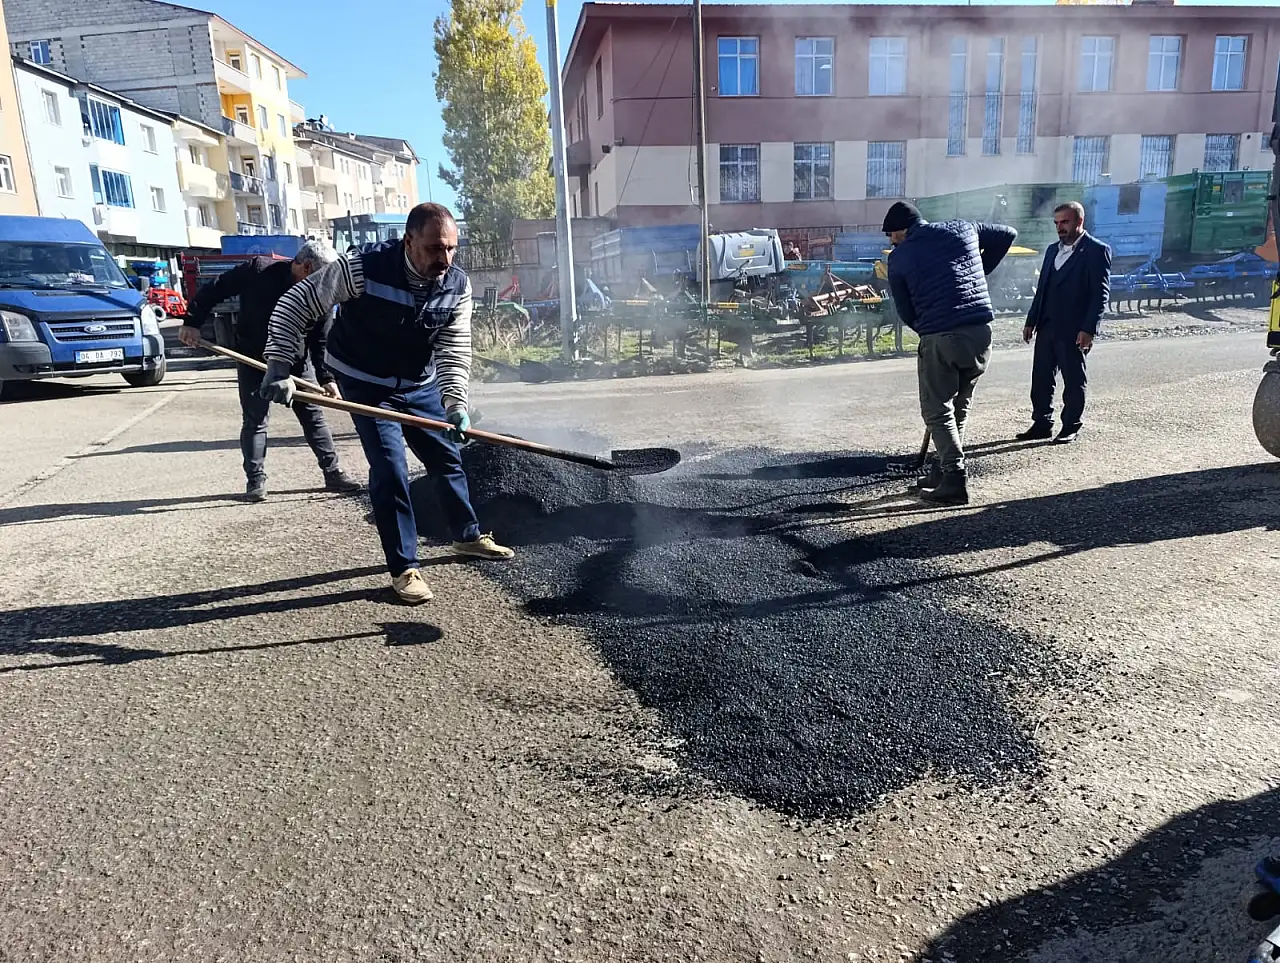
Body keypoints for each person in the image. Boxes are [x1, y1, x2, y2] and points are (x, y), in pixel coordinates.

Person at [259, 203, 513, 605]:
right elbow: (296, 305)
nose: (443, 259)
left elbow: (454, 348)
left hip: (419, 380)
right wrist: (278, 367)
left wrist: (455, 403)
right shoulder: (363, 268)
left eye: (451, 249)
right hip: (365, 379)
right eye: (434, 248)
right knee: (391, 468)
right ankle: (404, 568)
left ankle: (467, 537)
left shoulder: (456, 285)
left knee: (446, 456)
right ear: (409, 240)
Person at [178, 242, 361, 503]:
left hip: (298, 363)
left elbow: (321, 340)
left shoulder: (321, 292)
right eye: (320, 275)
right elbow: (215, 289)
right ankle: (255, 480)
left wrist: (327, 378)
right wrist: (192, 322)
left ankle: (333, 473)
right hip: (254, 359)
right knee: (255, 420)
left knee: (313, 417)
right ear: (306, 266)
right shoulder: (259, 271)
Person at [884, 201, 1017, 506]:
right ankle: (940, 469)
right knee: (960, 404)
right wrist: (979, 274)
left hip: (941, 334)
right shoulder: (962, 228)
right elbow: (1007, 234)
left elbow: (905, 310)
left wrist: (928, 328)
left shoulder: (900, 257)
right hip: (981, 331)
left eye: (891, 234)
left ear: (903, 229)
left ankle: (954, 479)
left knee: (935, 408)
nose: (890, 240)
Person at [1017, 201, 1112, 445]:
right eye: (1057, 223)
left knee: (1073, 379)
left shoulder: (1096, 250)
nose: (1060, 227)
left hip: (1074, 328)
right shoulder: (1052, 251)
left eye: (1065, 222)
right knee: (1041, 379)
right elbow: (1043, 289)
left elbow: (1100, 294)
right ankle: (1041, 423)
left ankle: (1070, 426)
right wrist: (1031, 320)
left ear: (1079, 221)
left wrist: (1089, 329)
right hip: (1047, 325)